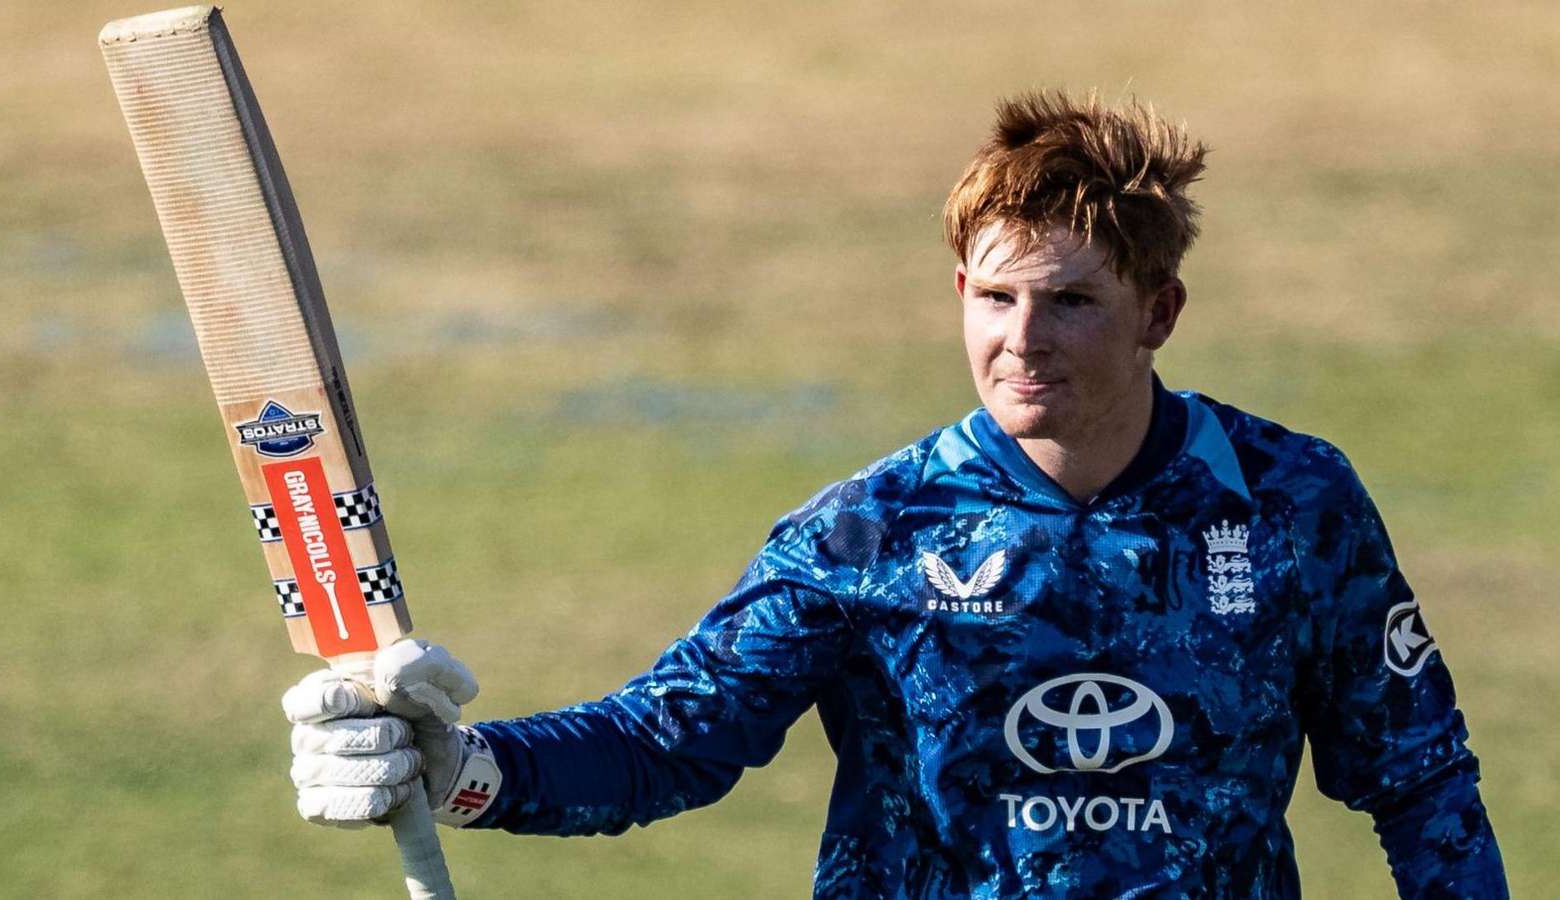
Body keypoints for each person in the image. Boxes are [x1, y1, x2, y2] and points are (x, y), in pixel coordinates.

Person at [282, 90, 1507, 897]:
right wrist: (466, 769)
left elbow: (1418, 780)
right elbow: (666, 741)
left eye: (1071, 301)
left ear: (1159, 313)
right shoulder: (868, 534)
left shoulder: (1295, 503)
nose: (1022, 340)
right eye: (993, 297)